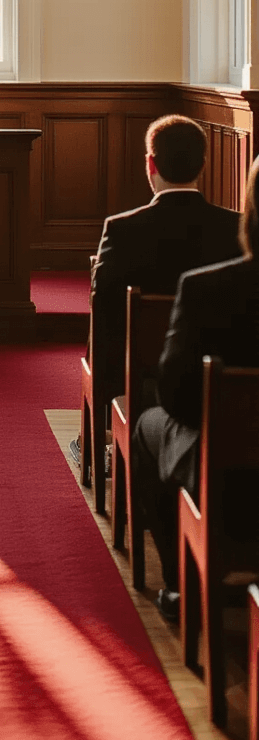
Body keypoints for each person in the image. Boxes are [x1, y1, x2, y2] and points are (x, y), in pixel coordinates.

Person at [69, 115, 241, 468]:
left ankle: (105, 440)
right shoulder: (235, 229)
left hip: (140, 375)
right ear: (203, 165)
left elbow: (104, 312)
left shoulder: (122, 230)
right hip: (215, 376)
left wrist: (105, 385)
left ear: (150, 164)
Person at [132, 153, 259, 622]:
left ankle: (182, 581)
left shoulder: (208, 289)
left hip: (230, 476)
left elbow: (175, 396)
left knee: (149, 425)